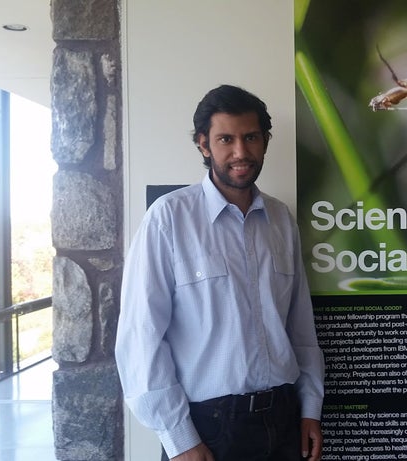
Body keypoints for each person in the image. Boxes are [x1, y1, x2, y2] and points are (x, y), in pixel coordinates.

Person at [116, 84, 325, 461]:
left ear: (265, 141)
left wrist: (309, 409)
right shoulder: (169, 218)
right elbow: (140, 337)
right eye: (225, 139)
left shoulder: (280, 220)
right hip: (208, 428)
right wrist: (180, 439)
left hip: (283, 420)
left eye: (251, 137)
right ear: (203, 144)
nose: (240, 152)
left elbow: (300, 329)